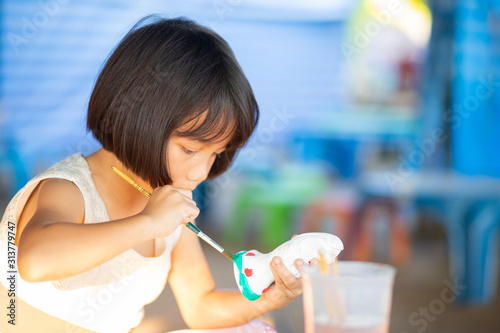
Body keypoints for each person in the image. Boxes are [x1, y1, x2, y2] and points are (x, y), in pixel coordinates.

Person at [0, 16, 304, 332]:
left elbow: (200, 305)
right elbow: (34, 261)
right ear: (137, 116)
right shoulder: (69, 187)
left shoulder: (172, 209)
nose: (202, 172)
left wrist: (271, 299)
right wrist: (147, 223)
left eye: (215, 153)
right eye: (189, 149)